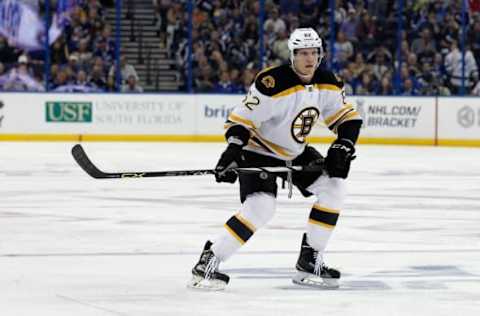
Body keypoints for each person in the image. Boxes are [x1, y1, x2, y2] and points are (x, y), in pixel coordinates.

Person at [189, 28, 362, 290]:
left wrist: (344, 145)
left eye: (314, 53)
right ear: (292, 55)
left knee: (334, 188)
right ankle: (208, 263)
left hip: (295, 152)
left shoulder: (329, 81)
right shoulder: (272, 83)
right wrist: (232, 153)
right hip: (258, 150)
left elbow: (347, 118)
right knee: (261, 207)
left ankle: (309, 260)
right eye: (303, 53)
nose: (309, 59)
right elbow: (240, 122)